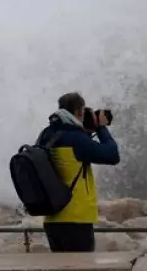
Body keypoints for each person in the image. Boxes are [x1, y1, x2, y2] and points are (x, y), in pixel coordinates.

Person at [37, 91, 120, 252]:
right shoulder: (77, 139)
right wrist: (101, 127)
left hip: (52, 218)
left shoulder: (46, 135)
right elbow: (112, 155)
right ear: (79, 112)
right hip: (76, 218)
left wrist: (87, 131)